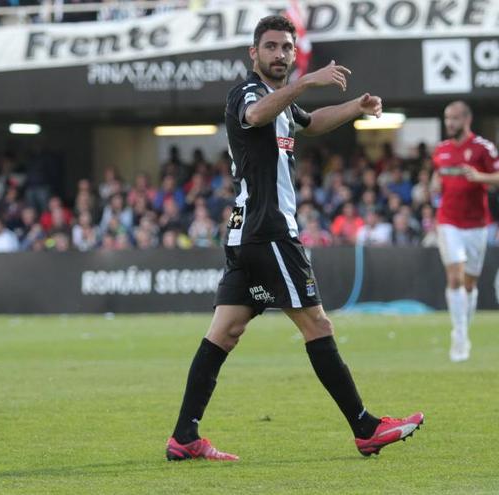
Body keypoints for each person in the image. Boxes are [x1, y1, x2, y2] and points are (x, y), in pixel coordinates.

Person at [165, 15, 423, 462]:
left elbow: (310, 121)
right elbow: (256, 114)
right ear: (254, 53)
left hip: (248, 234)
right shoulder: (248, 93)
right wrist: (307, 81)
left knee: (224, 332)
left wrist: (355, 109)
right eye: (271, 47)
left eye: (287, 47)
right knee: (317, 326)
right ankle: (365, 427)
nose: (280, 54)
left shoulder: (280, 100)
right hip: (269, 232)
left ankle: (184, 436)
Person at [431, 101, 499, 362]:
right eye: (447, 118)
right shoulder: (441, 150)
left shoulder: (483, 148)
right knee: (454, 277)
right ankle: (460, 334)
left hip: (477, 225)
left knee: (470, 283)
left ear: (466, 119)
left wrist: (480, 177)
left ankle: (463, 327)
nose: (449, 123)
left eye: (454, 118)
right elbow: (437, 179)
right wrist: (433, 186)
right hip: (448, 222)